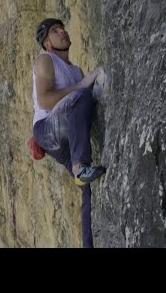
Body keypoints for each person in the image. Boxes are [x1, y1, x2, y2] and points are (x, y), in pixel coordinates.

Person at [32, 18, 106, 248]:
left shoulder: (75, 70)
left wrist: (84, 83)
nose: (62, 32)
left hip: (63, 133)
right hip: (46, 130)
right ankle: (79, 166)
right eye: (55, 31)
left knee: (87, 187)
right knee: (81, 95)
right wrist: (84, 85)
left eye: (61, 28)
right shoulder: (45, 60)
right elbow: (44, 100)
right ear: (48, 43)